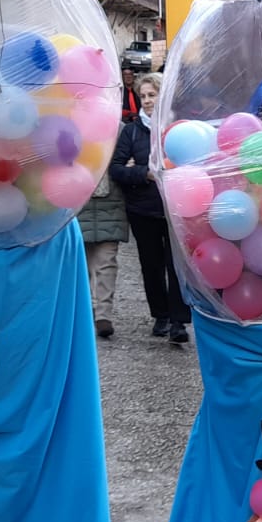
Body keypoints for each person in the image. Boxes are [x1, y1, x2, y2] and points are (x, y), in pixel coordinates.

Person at [110, 72, 190, 343]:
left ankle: (179, 321)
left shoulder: (178, 130)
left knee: (177, 266)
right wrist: (144, 173)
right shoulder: (131, 132)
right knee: (151, 265)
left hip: (175, 209)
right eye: (142, 96)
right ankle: (161, 316)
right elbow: (118, 169)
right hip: (143, 210)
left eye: (151, 95)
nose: (146, 101)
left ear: (162, 95)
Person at [76, 79, 130, 338]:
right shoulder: (72, 129)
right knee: (81, 264)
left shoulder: (118, 130)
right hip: (80, 205)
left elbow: (123, 163)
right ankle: (84, 314)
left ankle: (103, 315)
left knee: (107, 263)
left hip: (110, 204)